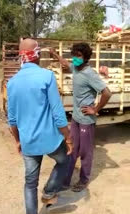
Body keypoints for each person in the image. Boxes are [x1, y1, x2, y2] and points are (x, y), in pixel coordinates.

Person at [7, 38, 73, 214]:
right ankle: (50, 191)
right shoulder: (46, 76)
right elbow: (58, 113)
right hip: (50, 138)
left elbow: (12, 120)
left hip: (28, 141)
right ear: (36, 56)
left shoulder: (12, 82)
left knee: (30, 183)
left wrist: (17, 141)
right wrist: (68, 137)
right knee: (64, 160)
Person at [49, 43, 112, 192]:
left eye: (79, 56)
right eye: (74, 55)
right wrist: (55, 54)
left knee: (85, 152)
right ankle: (65, 181)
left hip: (86, 120)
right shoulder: (77, 68)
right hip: (76, 118)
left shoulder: (90, 74)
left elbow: (107, 93)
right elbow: (65, 63)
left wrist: (95, 109)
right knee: (71, 149)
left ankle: (83, 180)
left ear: (85, 57)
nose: (75, 58)